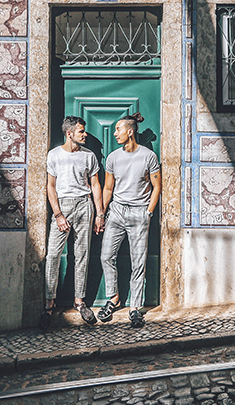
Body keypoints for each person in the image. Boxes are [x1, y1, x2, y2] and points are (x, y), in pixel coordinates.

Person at [97, 112, 161, 329]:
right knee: (106, 256)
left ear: (130, 131)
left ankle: (135, 307)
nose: (115, 134)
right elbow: (108, 188)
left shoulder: (148, 156)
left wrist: (149, 212)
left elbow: (157, 187)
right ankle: (113, 298)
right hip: (116, 211)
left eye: (118, 130)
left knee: (138, 262)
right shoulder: (114, 157)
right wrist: (101, 214)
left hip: (139, 212)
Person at [42, 115, 104, 330]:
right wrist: (58, 214)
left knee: (82, 255)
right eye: (81, 131)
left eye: (84, 131)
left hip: (84, 205)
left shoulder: (89, 156)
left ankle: (80, 301)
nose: (84, 134)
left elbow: (95, 185)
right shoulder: (54, 155)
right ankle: (49, 304)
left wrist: (99, 213)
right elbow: (51, 186)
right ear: (69, 134)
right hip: (63, 207)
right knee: (52, 255)